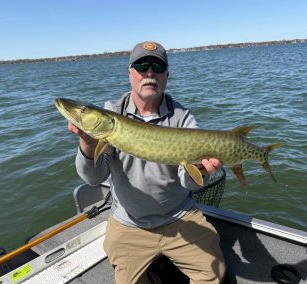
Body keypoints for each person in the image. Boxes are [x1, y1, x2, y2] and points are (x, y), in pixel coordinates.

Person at [68, 41, 226, 283]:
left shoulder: (182, 117)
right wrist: (88, 144)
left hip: (179, 215)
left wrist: (202, 171)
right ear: (130, 73)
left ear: (166, 76)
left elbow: (189, 181)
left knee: (213, 276)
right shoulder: (112, 112)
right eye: (142, 66)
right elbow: (93, 178)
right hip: (129, 222)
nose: (149, 73)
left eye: (157, 67)